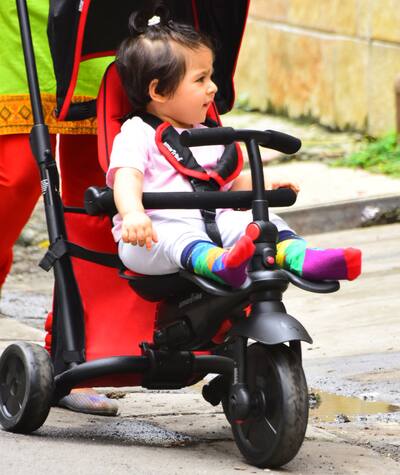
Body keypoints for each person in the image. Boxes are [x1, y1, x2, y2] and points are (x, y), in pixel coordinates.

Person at [106, 11, 362, 288]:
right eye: (200, 79)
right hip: (151, 235)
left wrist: (263, 184)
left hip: (214, 222)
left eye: (211, 77)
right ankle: (218, 264)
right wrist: (133, 213)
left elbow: (222, 185)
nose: (213, 88)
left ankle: (303, 258)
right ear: (159, 92)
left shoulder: (208, 134)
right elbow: (127, 178)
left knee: (261, 223)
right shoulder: (137, 132)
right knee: (175, 237)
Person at [0, 0, 118, 415]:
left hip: (97, 19)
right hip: (15, 25)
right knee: (14, 180)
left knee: (94, 195)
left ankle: (72, 358)